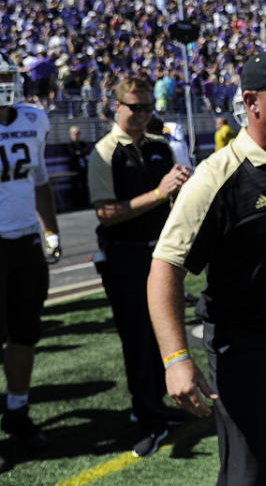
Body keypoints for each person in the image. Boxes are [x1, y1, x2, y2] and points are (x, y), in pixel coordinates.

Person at [147, 51, 266, 486]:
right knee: (249, 475)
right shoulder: (216, 178)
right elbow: (166, 266)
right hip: (247, 351)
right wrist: (176, 358)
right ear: (252, 102)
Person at [87, 76, 191, 458]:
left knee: (160, 334)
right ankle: (147, 415)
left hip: (160, 252)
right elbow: (105, 213)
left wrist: (179, 191)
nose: (144, 114)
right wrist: (159, 192)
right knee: (135, 336)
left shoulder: (159, 146)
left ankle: (157, 406)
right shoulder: (104, 152)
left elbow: (166, 201)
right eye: (136, 107)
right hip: (126, 254)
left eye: (149, 107)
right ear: (116, 106)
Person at [0, 54, 60, 467]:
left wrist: (50, 230)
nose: (4, 84)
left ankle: (17, 411)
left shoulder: (33, 120)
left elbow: (39, 180)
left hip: (25, 243)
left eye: (6, 76)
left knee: (25, 333)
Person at [66, 125, 91, 211]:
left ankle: (86, 203)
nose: (76, 136)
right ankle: (76, 204)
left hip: (83, 169)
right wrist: (79, 153)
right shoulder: (70, 145)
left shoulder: (82, 143)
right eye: (74, 134)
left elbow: (85, 151)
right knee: (75, 187)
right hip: (74, 170)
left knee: (85, 186)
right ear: (70, 135)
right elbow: (72, 154)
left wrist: (79, 153)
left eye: (77, 134)